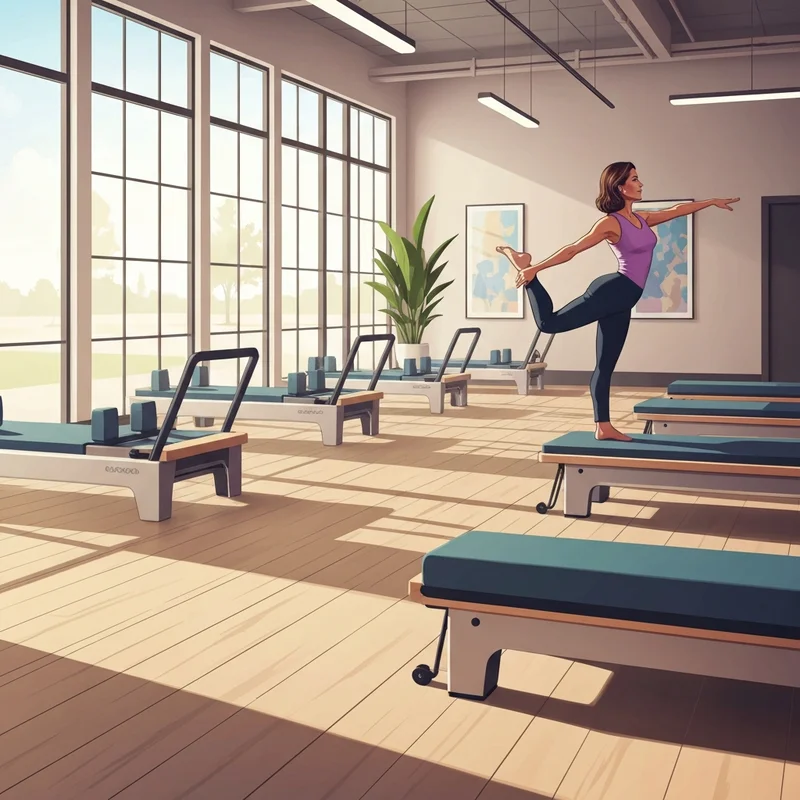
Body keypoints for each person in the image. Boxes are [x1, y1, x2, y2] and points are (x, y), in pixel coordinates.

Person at [497, 162, 739, 441]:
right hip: (611, 291)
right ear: (620, 187)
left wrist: (710, 203)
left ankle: (603, 426)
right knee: (548, 323)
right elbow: (573, 249)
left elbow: (675, 211)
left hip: (624, 300)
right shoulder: (610, 223)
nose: (641, 183)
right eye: (635, 179)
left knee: (606, 365)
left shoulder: (641, 219)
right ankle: (527, 272)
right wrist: (535, 268)